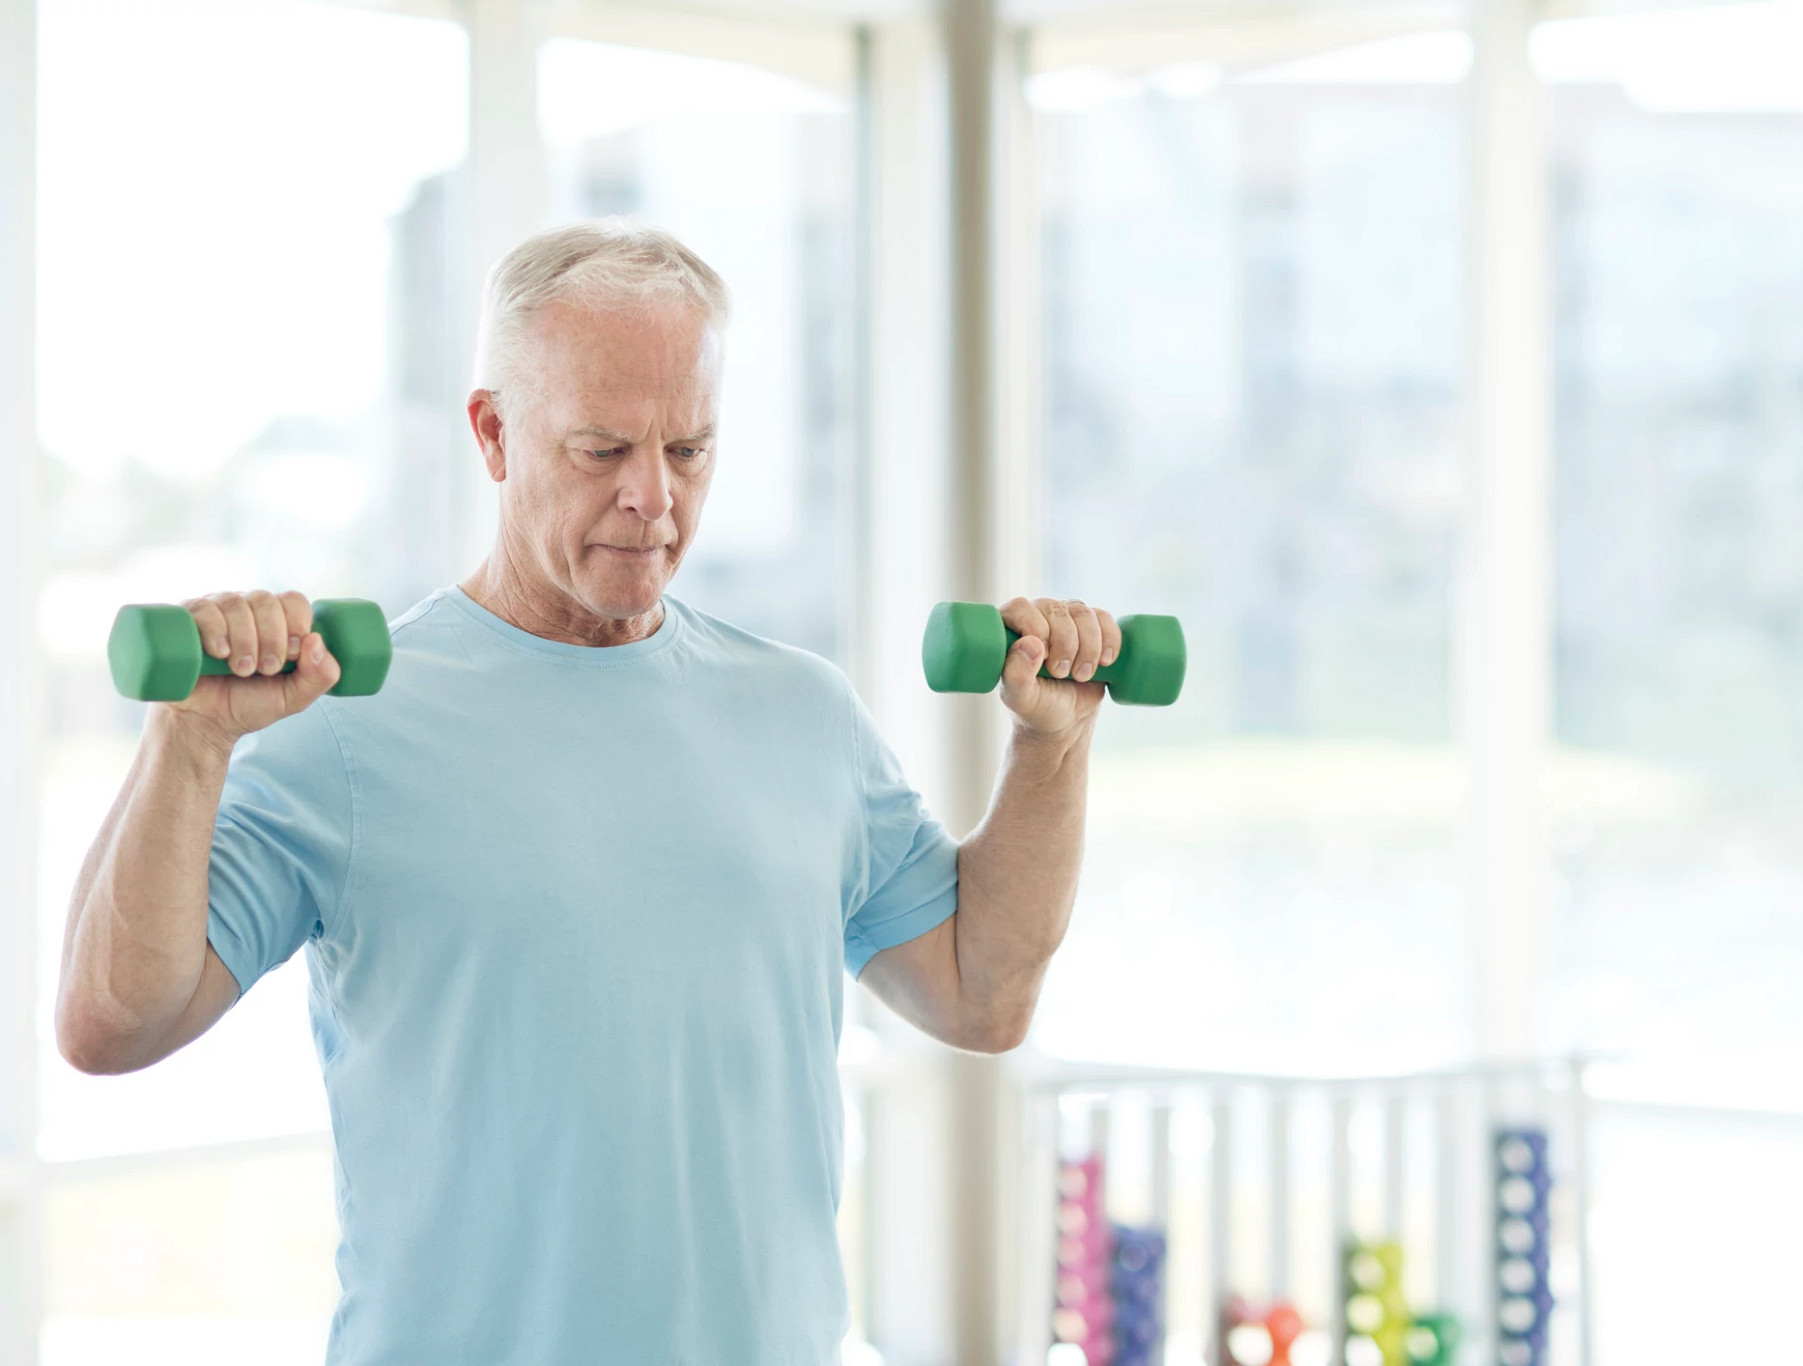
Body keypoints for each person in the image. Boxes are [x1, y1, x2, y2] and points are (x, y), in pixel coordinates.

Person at [55, 221, 1120, 1364]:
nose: (652, 499)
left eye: (690, 450)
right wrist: (190, 741)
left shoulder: (801, 713)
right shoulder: (343, 718)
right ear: (493, 432)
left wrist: (1050, 747)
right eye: (603, 448)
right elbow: (112, 1024)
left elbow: (979, 994)